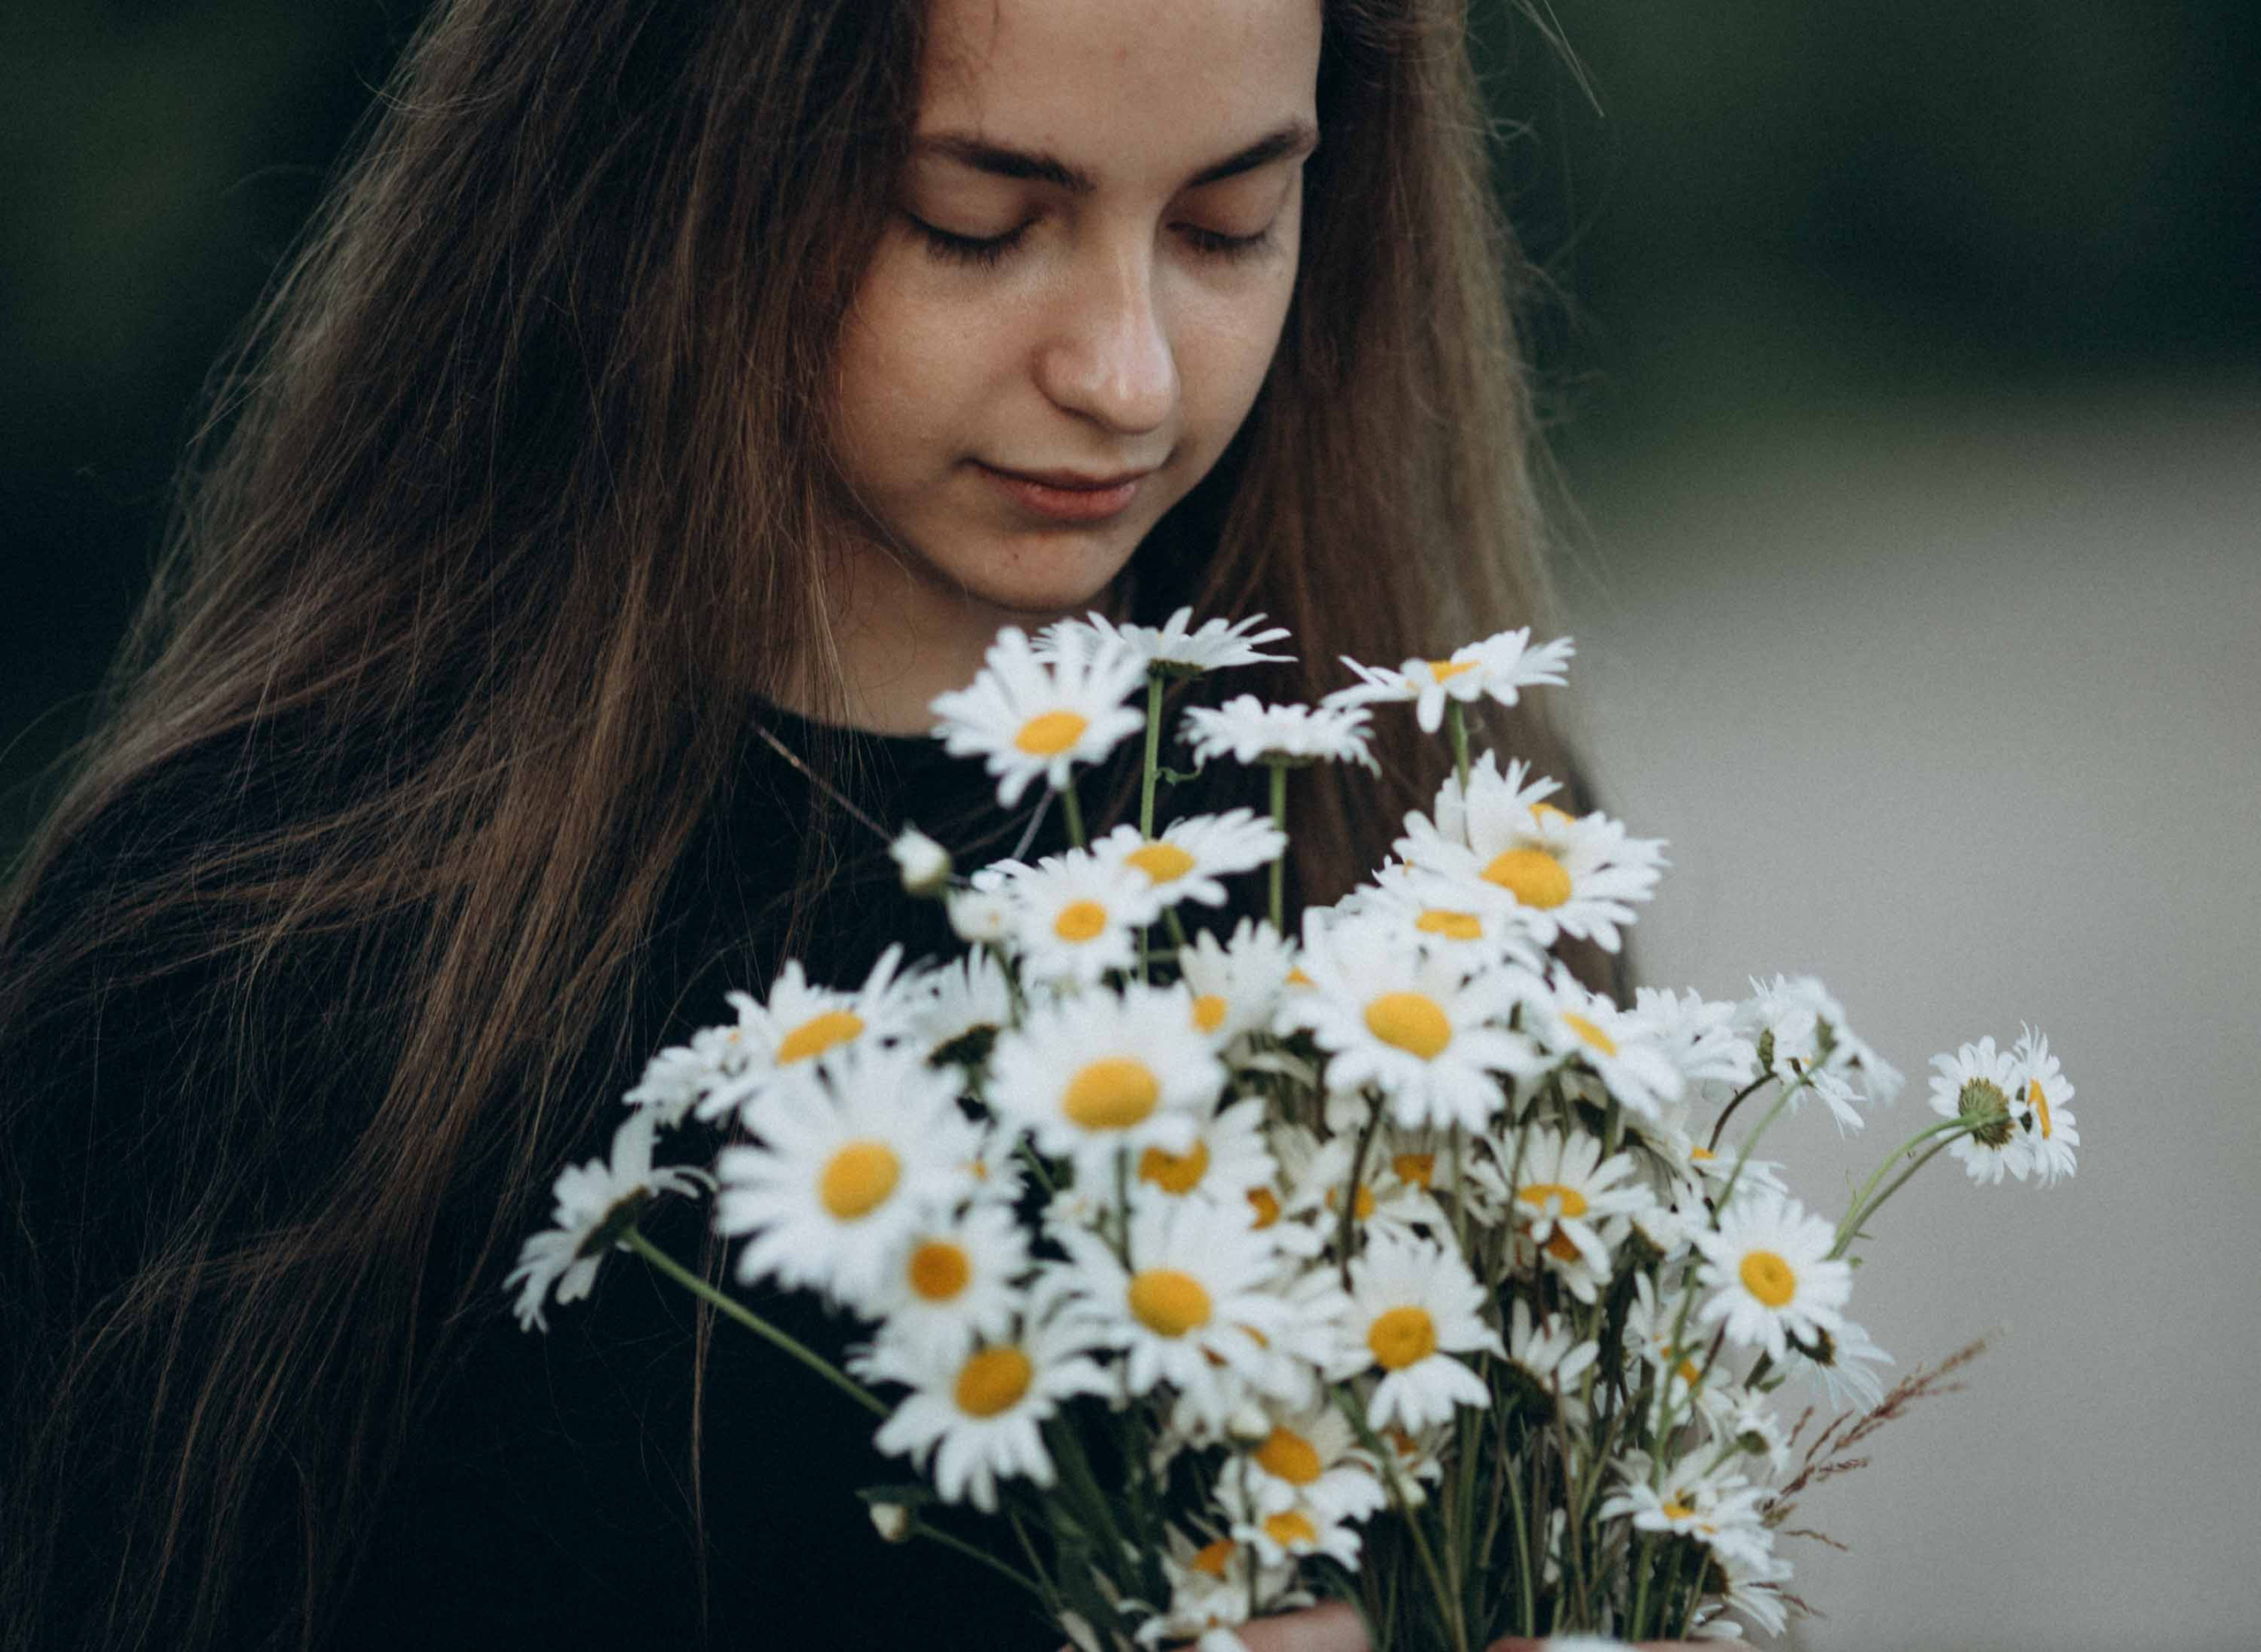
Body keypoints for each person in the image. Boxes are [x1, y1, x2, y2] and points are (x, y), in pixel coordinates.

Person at [0, 1, 1610, 1648]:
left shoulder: (1439, 851)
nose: (1126, 377)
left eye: (1228, 224)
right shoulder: (239, 948)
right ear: (659, 164)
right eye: (970, 224)